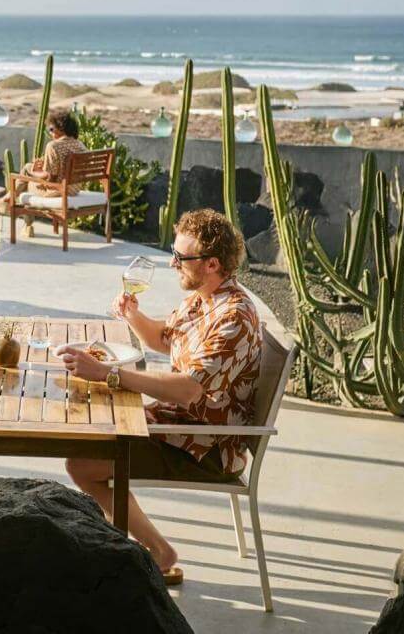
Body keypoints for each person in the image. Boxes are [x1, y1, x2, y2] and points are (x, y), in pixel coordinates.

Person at [59, 209, 261, 586]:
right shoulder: (204, 298)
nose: (172, 263)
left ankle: (158, 551)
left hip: (206, 447)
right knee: (88, 427)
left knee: (83, 462)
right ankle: (113, 546)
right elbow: (161, 339)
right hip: (180, 424)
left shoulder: (233, 317)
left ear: (212, 263)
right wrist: (133, 316)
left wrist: (109, 373)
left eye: (181, 258)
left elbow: (187, 388)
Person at [21, 109, 86, 197]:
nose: (50, 132)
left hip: (58, 192)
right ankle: (8, 198)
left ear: (61, 128)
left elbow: (51, 179)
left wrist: (33, 173)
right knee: (28, 166)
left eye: (51, 129)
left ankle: (9, 199)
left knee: (27, 180)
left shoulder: (53, 146)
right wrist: (44, 166)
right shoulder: (80, 145)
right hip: (74, 191)